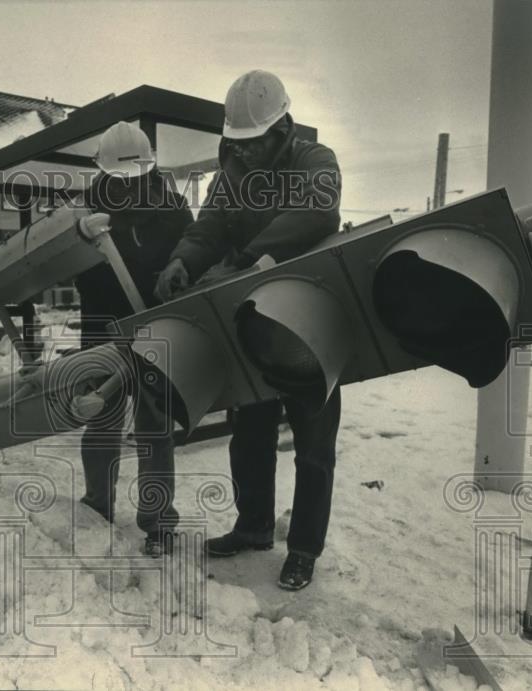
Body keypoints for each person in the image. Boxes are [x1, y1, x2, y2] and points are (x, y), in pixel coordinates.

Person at [154, 70, 343, 589]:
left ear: (282, 128)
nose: (248, 151)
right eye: (239, 142)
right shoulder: (232, 175)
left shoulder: (315, 163)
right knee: (250, 436)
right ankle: (254, 526)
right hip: (252, 330)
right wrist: (182, 262)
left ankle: (303, 548)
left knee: (313, 446)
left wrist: (249, 258)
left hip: (309, 333)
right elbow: (209, 226)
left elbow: (318, 211)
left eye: (255, 141)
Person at [75, 121, 194, 557]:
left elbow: (191, 262)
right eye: (117, 180)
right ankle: (97, 508)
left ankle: (159, 522)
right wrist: (78, 243)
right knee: (102, 424)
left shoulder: (175, 210)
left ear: (150, 170)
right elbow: (63, 267)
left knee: (154, 428)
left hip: (154, 331)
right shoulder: (84, 210)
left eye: (134, 180)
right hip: (102, 331)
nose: (126, 188)